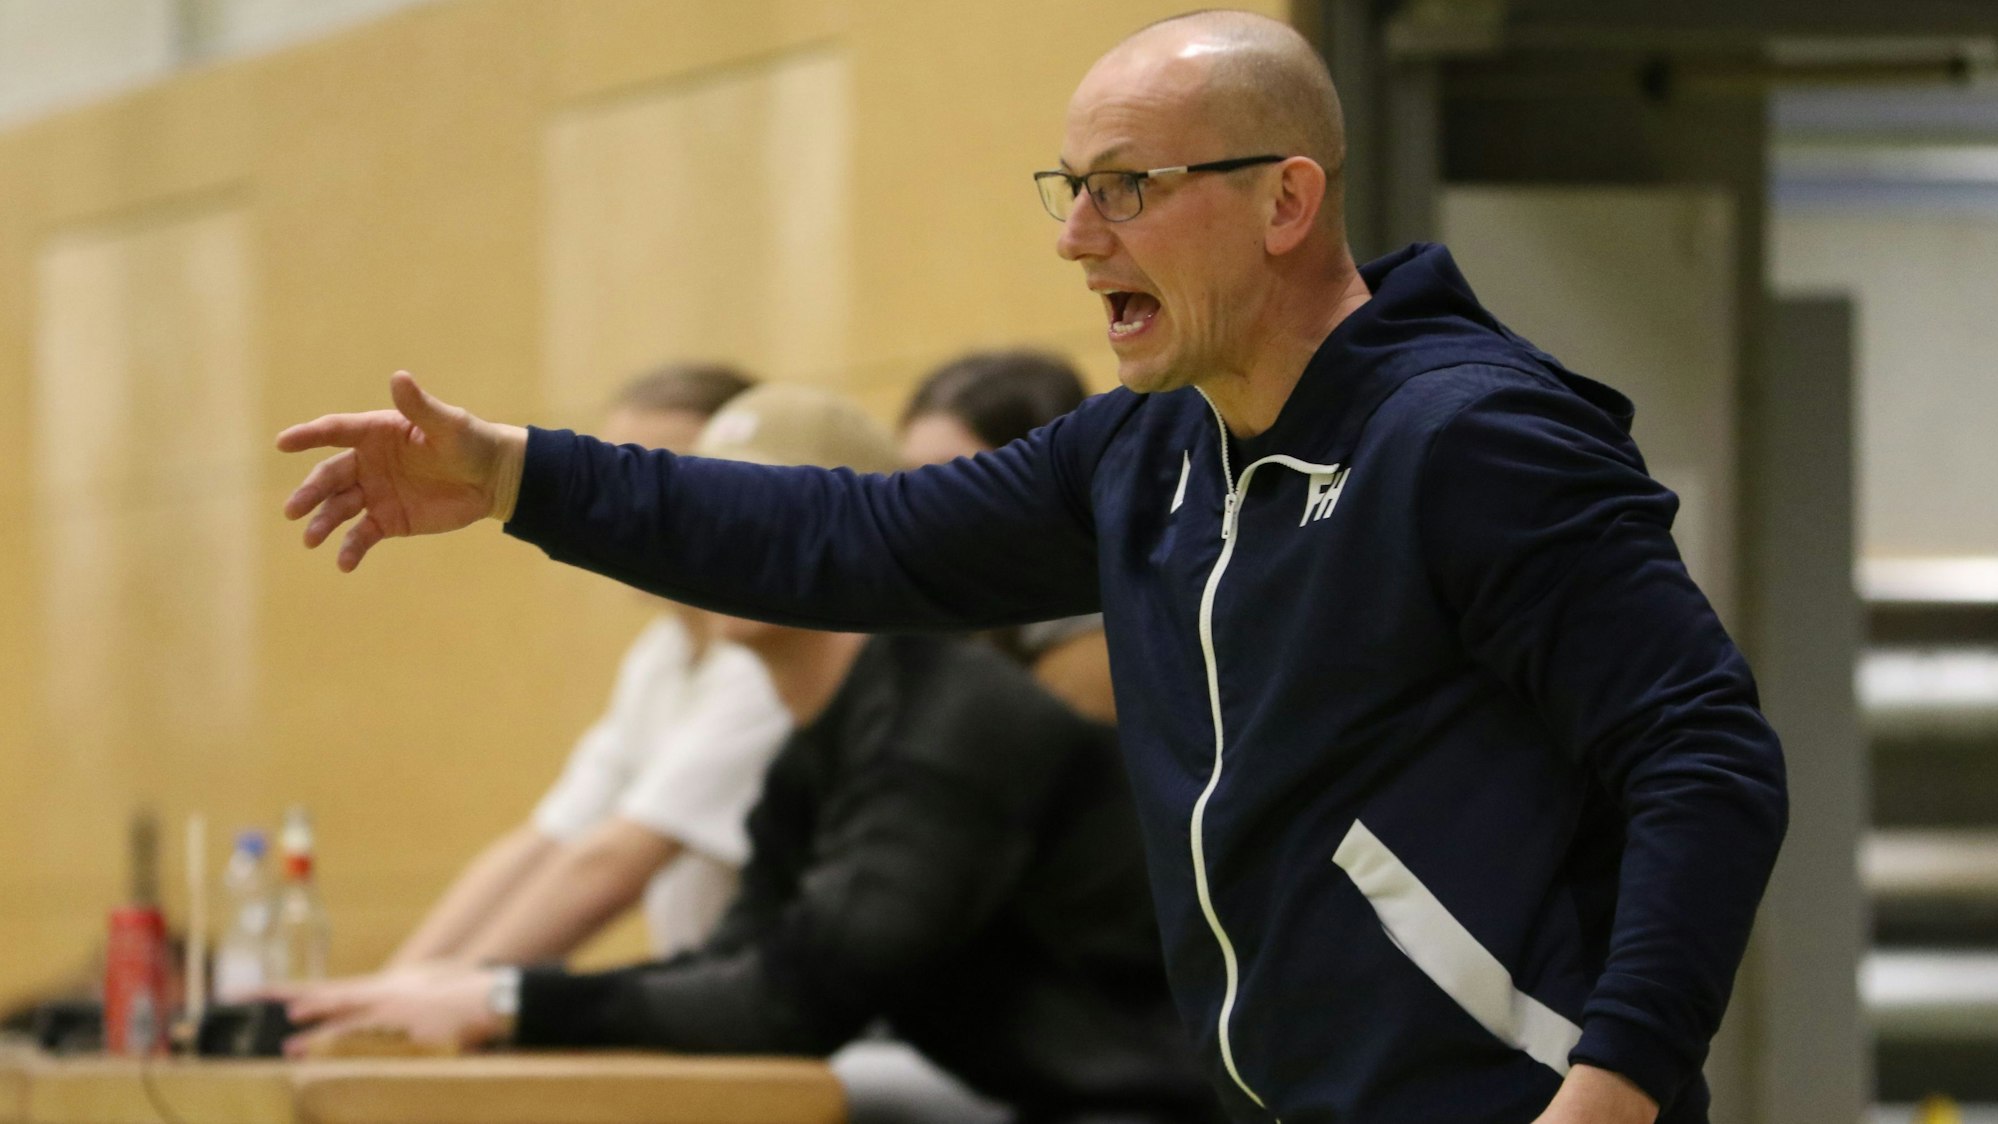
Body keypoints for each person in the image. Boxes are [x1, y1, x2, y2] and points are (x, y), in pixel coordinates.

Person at [273, 11, 1789, 1124]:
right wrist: (518, 475)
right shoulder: (1147, 458)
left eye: (1124, 188)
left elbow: (1704, 753)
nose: (1076, 237)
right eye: (1066, 188)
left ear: (1283, 201)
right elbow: (842, 535)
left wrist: (1613, 1088)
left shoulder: (1465, 439)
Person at [278, 385, 1224, 1124]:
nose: (713, 561)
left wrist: (503, 997)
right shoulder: (809, 758)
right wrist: (469, 994)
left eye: (742, 527)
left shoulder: (949, 723)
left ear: (824, 536)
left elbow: (796, 1001)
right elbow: (735, 964)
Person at [386, 363, 791, 968]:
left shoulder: (770, 658)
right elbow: (549, 840)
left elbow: (612, 865)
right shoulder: (660, 657)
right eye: (616, 473)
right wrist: (397, 985)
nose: (632, 503)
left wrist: (433, 1001)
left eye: (664, 476)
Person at [898, 349, 1115, 724]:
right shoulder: (940, 616)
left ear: (1040, 480)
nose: (922, 506)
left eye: (953, 477)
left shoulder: (1095, 651)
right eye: (909, 479)